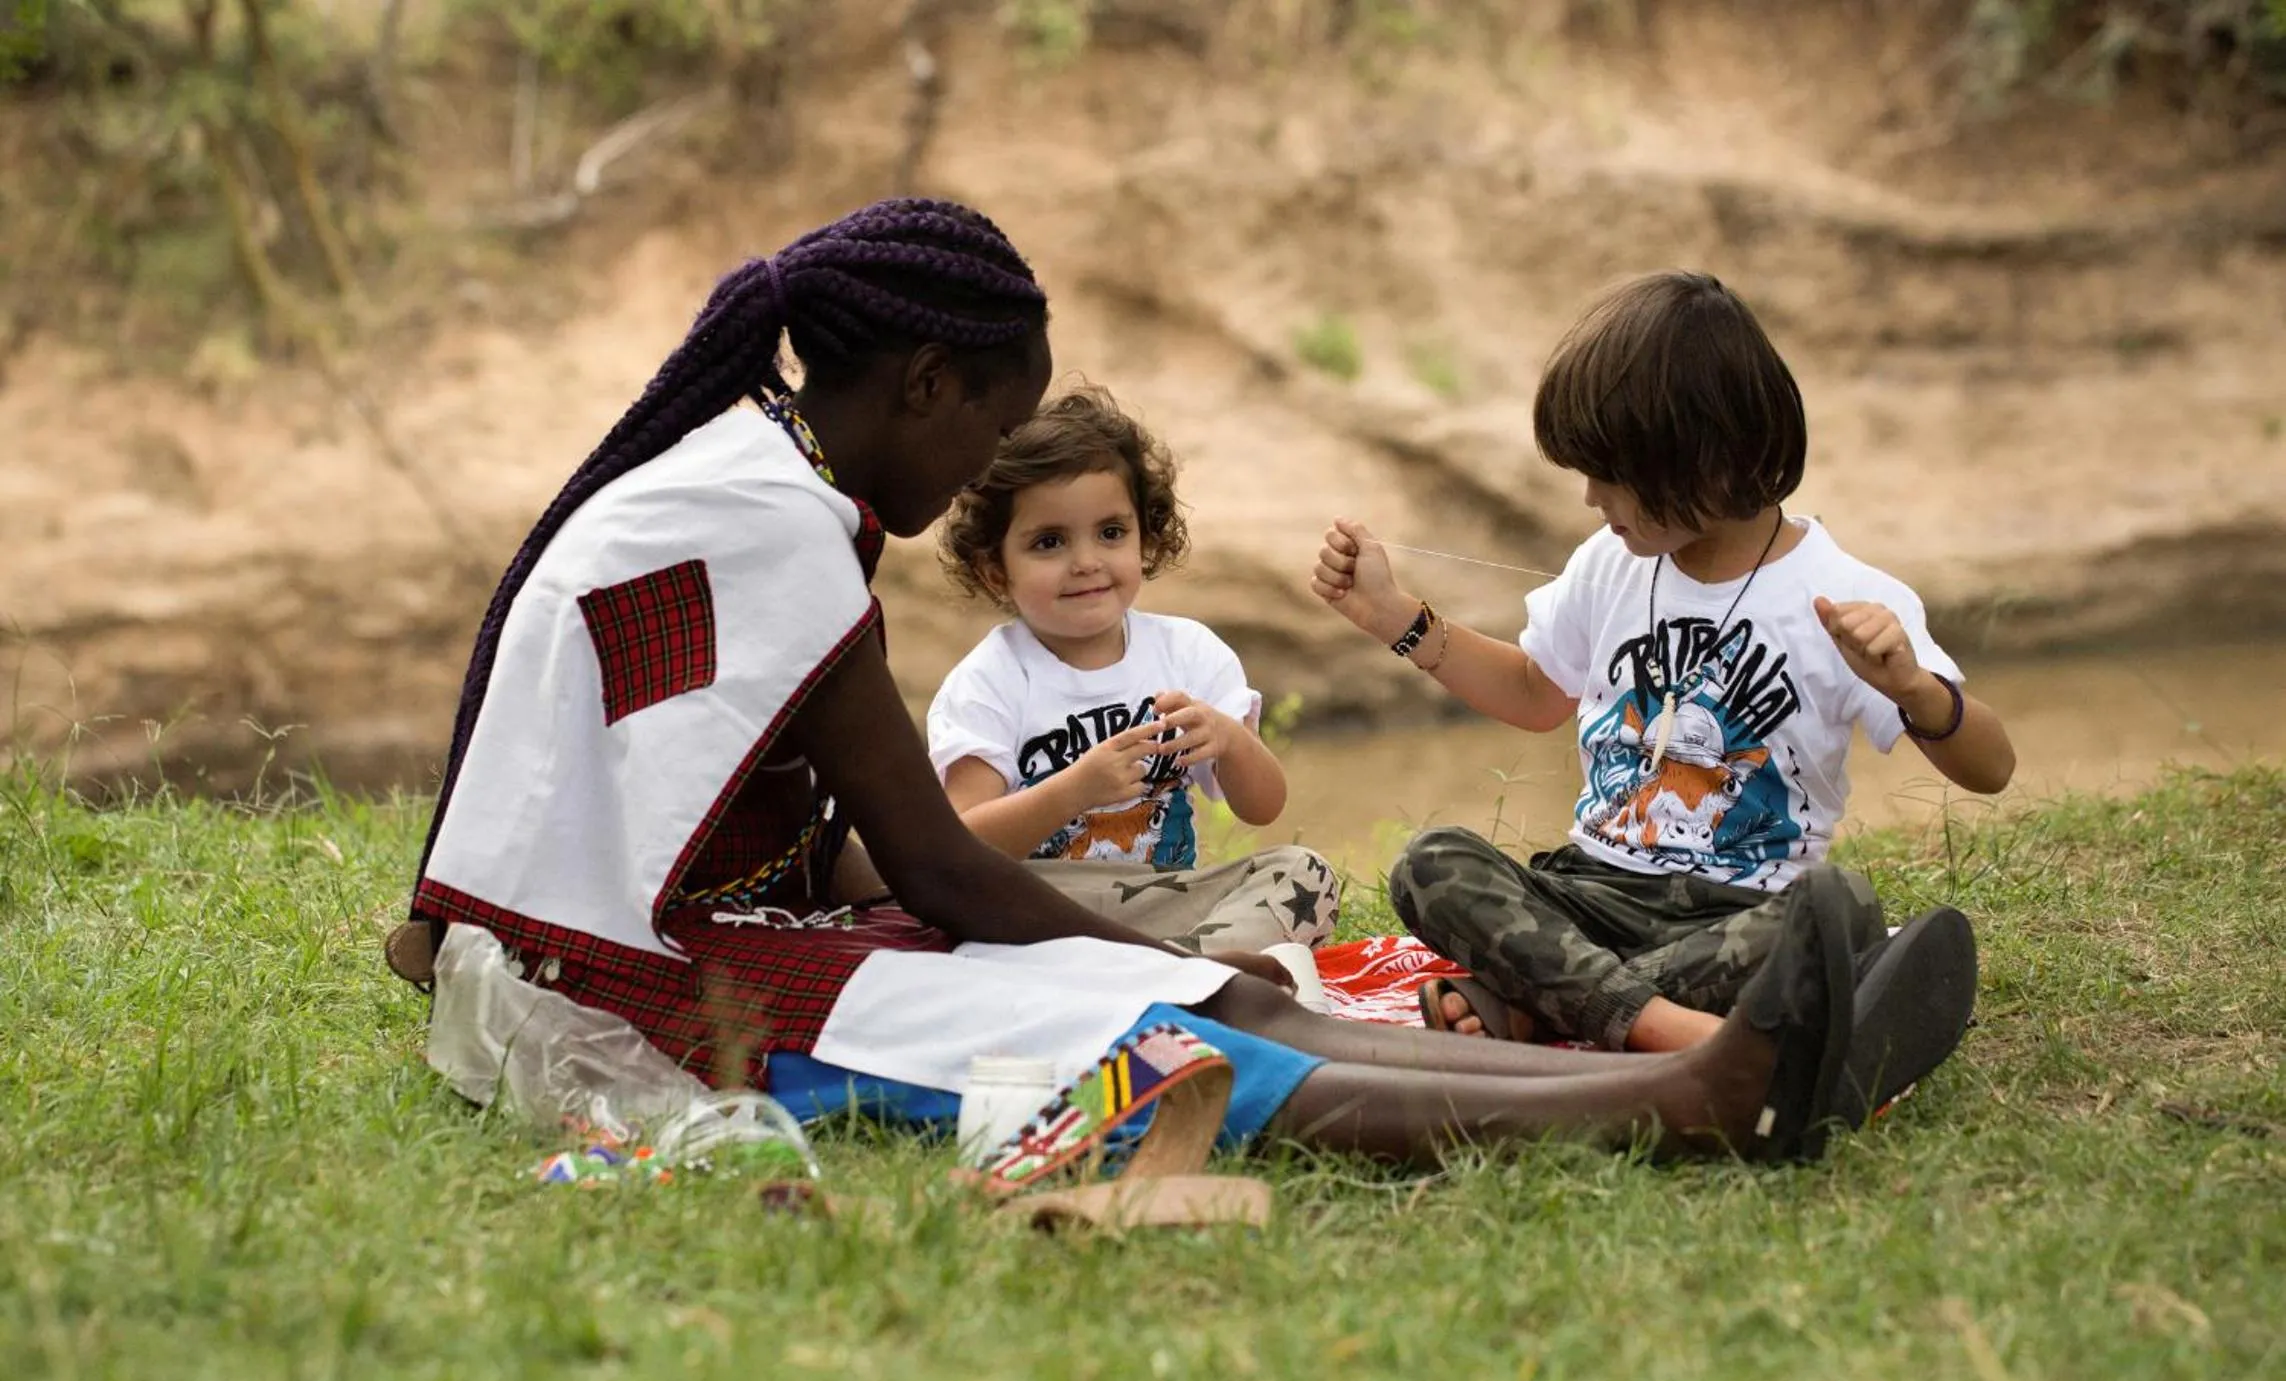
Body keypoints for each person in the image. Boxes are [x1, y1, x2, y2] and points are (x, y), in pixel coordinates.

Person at [399, 202, 1906, 1169]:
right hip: (660, 994)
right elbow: (928, 856)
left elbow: (826, 841)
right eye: (989, 431)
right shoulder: (770, 524)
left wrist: (1158, 953)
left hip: (719, 931)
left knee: (1209, 994)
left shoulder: (742, 484)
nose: (985, 471)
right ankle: (1697, 1101)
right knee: (1182, 1042)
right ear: (923, 385)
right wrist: (1147, 967)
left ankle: (1706, 1066)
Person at [1313, 270, 2014, 1096]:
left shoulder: (1849, 595)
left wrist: (1913, 688)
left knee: (1837, 908)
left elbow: (1992, 769)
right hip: (1592, 894)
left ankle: (1542, 1006)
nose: (1590, 498)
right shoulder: (1609, 565)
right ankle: (1686, 1031)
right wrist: (1398, 619)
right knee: (1433, 864)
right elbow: (1538, 692)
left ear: (1709, 458)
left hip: (1741, 912)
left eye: (1612, 476)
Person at [927, 385, 1340, 966]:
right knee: (950, 925)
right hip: (1042, 910)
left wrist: (1229, 738)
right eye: (1049, 542)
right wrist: (1076, 787)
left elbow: (1264, 806)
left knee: (1303, 875)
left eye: (1111, 532)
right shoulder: (989, 680)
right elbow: (962, 844)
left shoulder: (1189, 652)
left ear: (1146, 535)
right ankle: (1188, 983)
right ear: (995, 570)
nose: (1087, 561)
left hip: (1162, 904)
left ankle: (1177, 972)